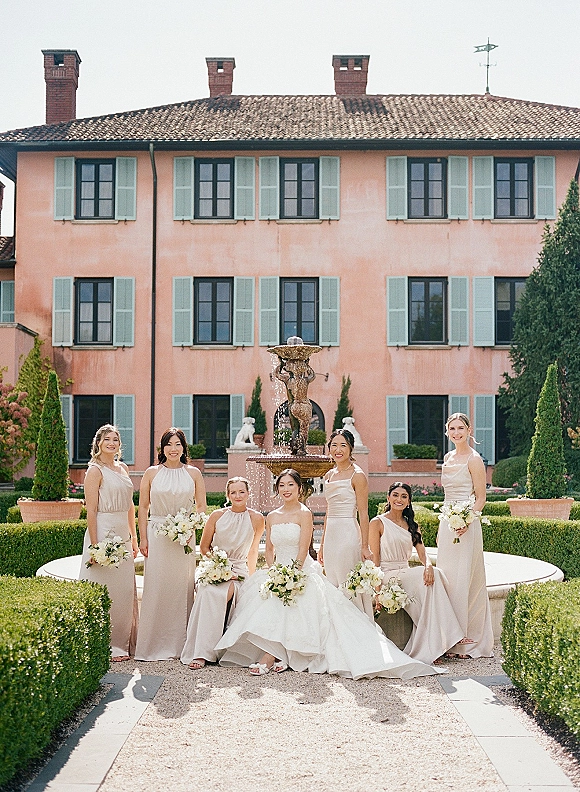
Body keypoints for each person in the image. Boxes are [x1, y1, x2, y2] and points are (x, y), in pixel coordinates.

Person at [215, 469, 438, 679]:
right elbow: (270, 549)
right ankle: (281, 654)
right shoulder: (272, 516)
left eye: (290, 485)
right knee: (266, 601)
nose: (286, 489)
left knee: (291, 602)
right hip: (277, 571)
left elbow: (303, 549)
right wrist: (274, 572)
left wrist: (291, 576)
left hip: (299, 570)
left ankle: (271, 655)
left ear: (299, 488)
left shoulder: (305, 513)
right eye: (281, 485)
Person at [369, 482, 463, 665]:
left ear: (409, 501)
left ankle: (434, 645)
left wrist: (428, 565)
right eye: (395, 495)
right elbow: (375, 559)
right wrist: (378, 591)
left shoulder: (412, 525)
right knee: (428, 580)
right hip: (388, 574)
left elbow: (422, 553)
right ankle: (450, 635)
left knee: (433, 578)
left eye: (404, 496)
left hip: (405, 571)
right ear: (388, 498)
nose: (399, 499)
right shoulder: (377, 523)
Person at [135, 428, 207, 661]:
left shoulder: (194, 473)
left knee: (181, 588)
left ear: (184, 448)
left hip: (184, 538)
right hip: (157, 535)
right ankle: (152, 644)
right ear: (162, 448)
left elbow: (201, 507)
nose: (173, 449)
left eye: (178, 444)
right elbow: (143, 507)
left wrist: (190, 528)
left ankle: (182, 644)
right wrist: (143, 538)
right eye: (169, 444)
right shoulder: (151, 473)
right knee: (156, 587)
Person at [181, 477, 264, 669]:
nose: (238, 496)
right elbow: (204, 548)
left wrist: (250, 579)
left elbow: (253, 551)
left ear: (248, 494)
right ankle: (202, 652)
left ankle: (222, 648)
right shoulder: (217, 516)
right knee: (208, 591)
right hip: (215, 567)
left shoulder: (257, 518)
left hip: (240, 568)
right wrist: (220, 566)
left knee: (227, 591)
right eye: (233, 492)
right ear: (228, 495)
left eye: (241, 492)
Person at [437, 413, 494, 658]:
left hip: (467, 524)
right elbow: (446, 496)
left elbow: (481, 498)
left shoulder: (474, 459)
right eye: (452, 428)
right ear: (447, 431)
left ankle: (468, 640)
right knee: (449, 579)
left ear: (469, 430)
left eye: (461, 428)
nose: (456, 432)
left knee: (466, 579)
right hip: (447, 522)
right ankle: (451, 637)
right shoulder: (447, 458)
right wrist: (444, 526)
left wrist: (466, 521)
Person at [80, 425, 138, 661]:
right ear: (99, 443)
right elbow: (91, 511)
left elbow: (130, 505)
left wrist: (134, 538)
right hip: (103, 531)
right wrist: (95, 546)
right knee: (103, 588)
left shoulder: (123, 468)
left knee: (123, 591)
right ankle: (102, 643)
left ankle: (121, 642)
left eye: (115, 439)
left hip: (123, 535)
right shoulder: (94, 471)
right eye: (107, 439)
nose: (112, 443)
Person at [318, 429, 374, 619]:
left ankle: (354, 624)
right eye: (334, 445)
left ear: (350, 448)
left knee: (347, 582)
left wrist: (365, 546)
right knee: (332, 581)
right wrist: (322, 544)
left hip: (348, 533)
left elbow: (363, 513)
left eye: (343, 445)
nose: (338, 450)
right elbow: (328, 511)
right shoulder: (329, 475)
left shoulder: (357, 475)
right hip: (331, 537)